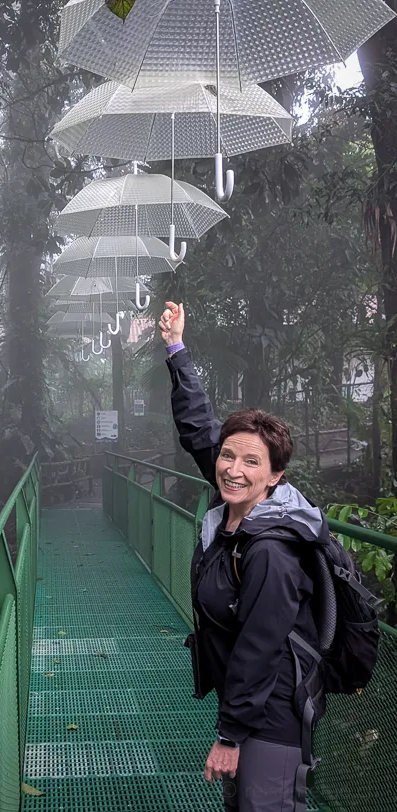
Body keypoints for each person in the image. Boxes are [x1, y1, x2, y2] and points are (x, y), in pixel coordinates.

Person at [159, 301, 326, 812]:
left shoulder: (270, 549)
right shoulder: (234, 503)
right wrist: (176, 349)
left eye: (252, 461)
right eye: (228, 455)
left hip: (272, 717)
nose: (233, 468)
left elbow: (260, 645)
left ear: (275, 476)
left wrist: (230, 736)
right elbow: (199, 427)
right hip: (248, 707)